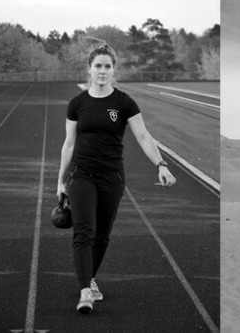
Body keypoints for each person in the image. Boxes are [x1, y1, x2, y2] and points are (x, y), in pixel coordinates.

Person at [56, 44, 176, 314]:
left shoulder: (124, 103)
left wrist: (161, 164)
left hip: (112, 177)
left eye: (107, 66)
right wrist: (60, 180)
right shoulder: (77, 104)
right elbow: (69, 144)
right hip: (81, 175)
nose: (102, 71)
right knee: (83, 231)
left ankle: (90, 278)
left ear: (113, 70)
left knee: (101, 235)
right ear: (89, 68)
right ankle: (85, 290)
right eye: (97, 65)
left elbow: (144, 136)